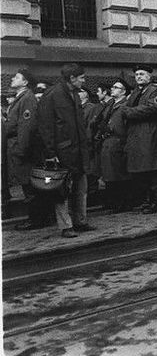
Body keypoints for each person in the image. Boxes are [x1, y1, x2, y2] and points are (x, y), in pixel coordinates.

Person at [37, 63, 95, 238]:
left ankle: (80, 221)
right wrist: (51, 153)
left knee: (81, 188)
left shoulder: (75, 95)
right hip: (63, 153)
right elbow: (45, 127)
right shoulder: (52, 95)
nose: (84, 80)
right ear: (72, 78)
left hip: (79, 151)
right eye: (82, 77)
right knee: (62, 191)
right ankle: (66, 226)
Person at [122, 65, 157, 214]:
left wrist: (129, 112)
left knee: (153, 169)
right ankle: (148, 200)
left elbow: (152, 108)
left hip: (150, 136)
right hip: (137, 137)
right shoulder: (136, 92)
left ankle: (156, 202)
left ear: (149, 76)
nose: (138, 77)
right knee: (143, 171)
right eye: (136, 75)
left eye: (142, 74)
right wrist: (130, 111)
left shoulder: (155, 91)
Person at [7, 69, 44, 230]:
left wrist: (21, 150)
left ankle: (35, 220)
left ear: (25, 82)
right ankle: (37, 218)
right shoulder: (21, 97)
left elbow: (26, 128)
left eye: (17, 77)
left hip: (23, 150)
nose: (13, 79)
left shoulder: (27, 98)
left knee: (30, 186)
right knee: (28, 185)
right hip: (18, 147)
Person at [97, 79, 132, 214]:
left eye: (116, 87)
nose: (112, 89)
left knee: (119, 174)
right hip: (108, 142)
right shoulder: (110, 104)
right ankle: (114, 202)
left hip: (118, 142)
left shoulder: (125, 105)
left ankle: (122, 203)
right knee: (109, 174)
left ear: (123, 92)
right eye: (113, 87)